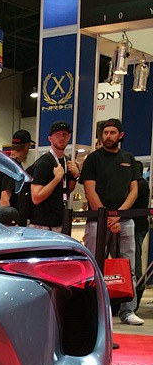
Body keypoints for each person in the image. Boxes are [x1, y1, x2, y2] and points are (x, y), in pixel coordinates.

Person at [80, 118, 141, 325]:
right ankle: (92, 310)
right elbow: (89, 191)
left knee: (127, 267)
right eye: (105, 133)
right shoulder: (93, 159)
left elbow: (134, 191)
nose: (108, 136)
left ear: (120, 135)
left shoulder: (128, 159)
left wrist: (119, 215)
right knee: (94, 267)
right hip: (98, 222)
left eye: (112, 133)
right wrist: (106, 217)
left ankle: (127, 311)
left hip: (124, 221)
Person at [30, 121, 80, 232]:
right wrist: (56, 179)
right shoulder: (43, 163)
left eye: (64, 135)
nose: (61, 138)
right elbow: (36, 197)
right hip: (42, 225)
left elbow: (65, 191)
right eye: (57, 135)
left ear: (69, 137)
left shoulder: (67, 161)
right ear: (50, 138)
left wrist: (75, 176)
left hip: (60, 222)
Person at [0, 129, 33, 225]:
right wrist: (9, 225)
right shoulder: (12, 167)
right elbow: (4, 199)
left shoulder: (8, 164)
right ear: (26, 147)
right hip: (11, 223)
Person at [132, 161, 151, 310]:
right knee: (135, 258)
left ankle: (137, 288)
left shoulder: (139, 185)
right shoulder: (144, 184)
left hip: (137, 225)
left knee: (135, 260)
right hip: (140, 225)